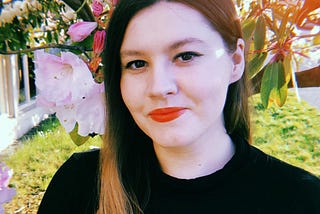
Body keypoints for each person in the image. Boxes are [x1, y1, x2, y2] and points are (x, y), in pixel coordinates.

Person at [38, 0, 320, 213]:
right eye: (137, 64)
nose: (159, 87)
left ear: (235, 62)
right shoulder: (80, 186)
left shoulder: (301, 200)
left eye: (186, 55)